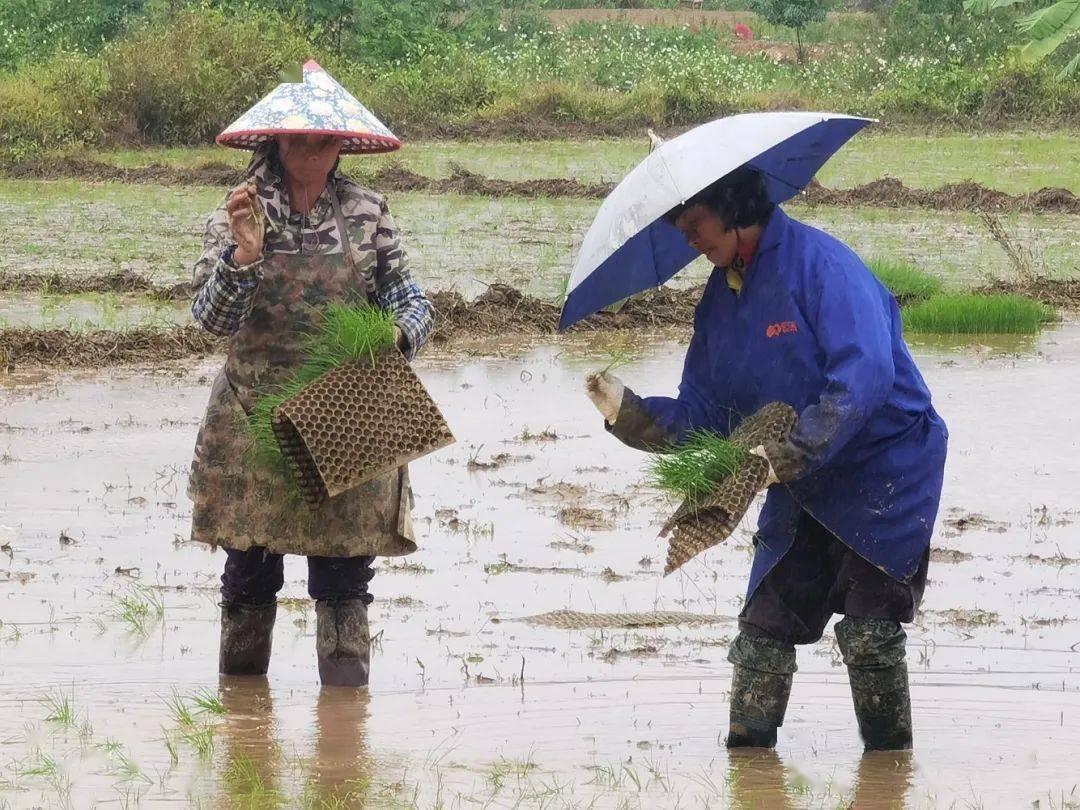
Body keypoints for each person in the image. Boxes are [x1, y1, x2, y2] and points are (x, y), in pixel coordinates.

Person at [585, 166, 947, 750]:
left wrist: (798, 450)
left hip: (884, 464)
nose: (690, 239)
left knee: (870, 632)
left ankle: (887, 773)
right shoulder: (721, 296)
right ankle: (749, 763)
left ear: (731, 207)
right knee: (762, 629)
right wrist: (626, 412)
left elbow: (867, 373)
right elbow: (703, 412)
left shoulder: (823, 267)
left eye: (696, 223)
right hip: (798, 472)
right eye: (681, 228)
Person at [187, 61, 433, 687]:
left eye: (324, 137)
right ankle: (244, 723)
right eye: (297, 135)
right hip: (253, 416)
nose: (310, 146)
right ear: (275, 139)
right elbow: (210, 320)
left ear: (342, 146)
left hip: (344, 411)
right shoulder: (242, 209)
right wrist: (243, 255)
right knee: (248, 573)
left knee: (344, 579)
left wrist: (398, 334)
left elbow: (413, 300)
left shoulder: (367, 212)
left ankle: (343, 730)